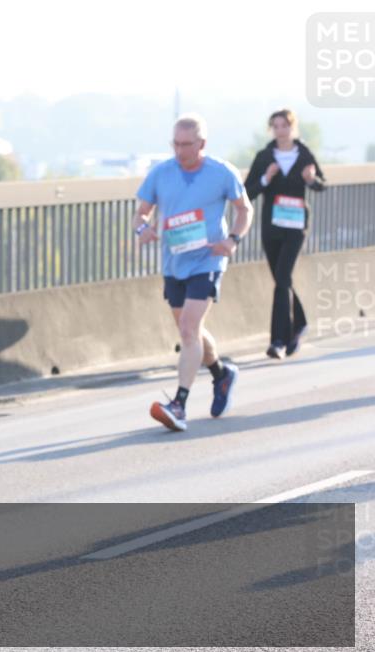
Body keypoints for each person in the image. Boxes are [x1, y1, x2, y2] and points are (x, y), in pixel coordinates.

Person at [133, 114, 253, 432]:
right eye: (176, 143)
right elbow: (140, 213)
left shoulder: (221, 172)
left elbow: (245, 208)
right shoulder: (160, 173)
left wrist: (233, 239)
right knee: (191, 332)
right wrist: (143, 229)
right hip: (174, 263)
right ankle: (221, 374)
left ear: (202, 144)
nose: (180, 150)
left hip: (208, 260)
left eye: (187, 144)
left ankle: (179, 405)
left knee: (188, 327)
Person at [244, 109, 326, 359]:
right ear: (272, 129)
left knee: (282, 278)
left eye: (285, 126)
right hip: (272, 227)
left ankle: (278, 340)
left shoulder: (304, 155)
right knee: (282, 280)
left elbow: (321, 185)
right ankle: (299, 324)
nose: (281, 131)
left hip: (296, 227)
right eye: (276, 126)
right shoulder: (265, 156)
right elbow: (248, 192)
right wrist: (266, 178)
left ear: (293, 128)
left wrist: (311, 180)